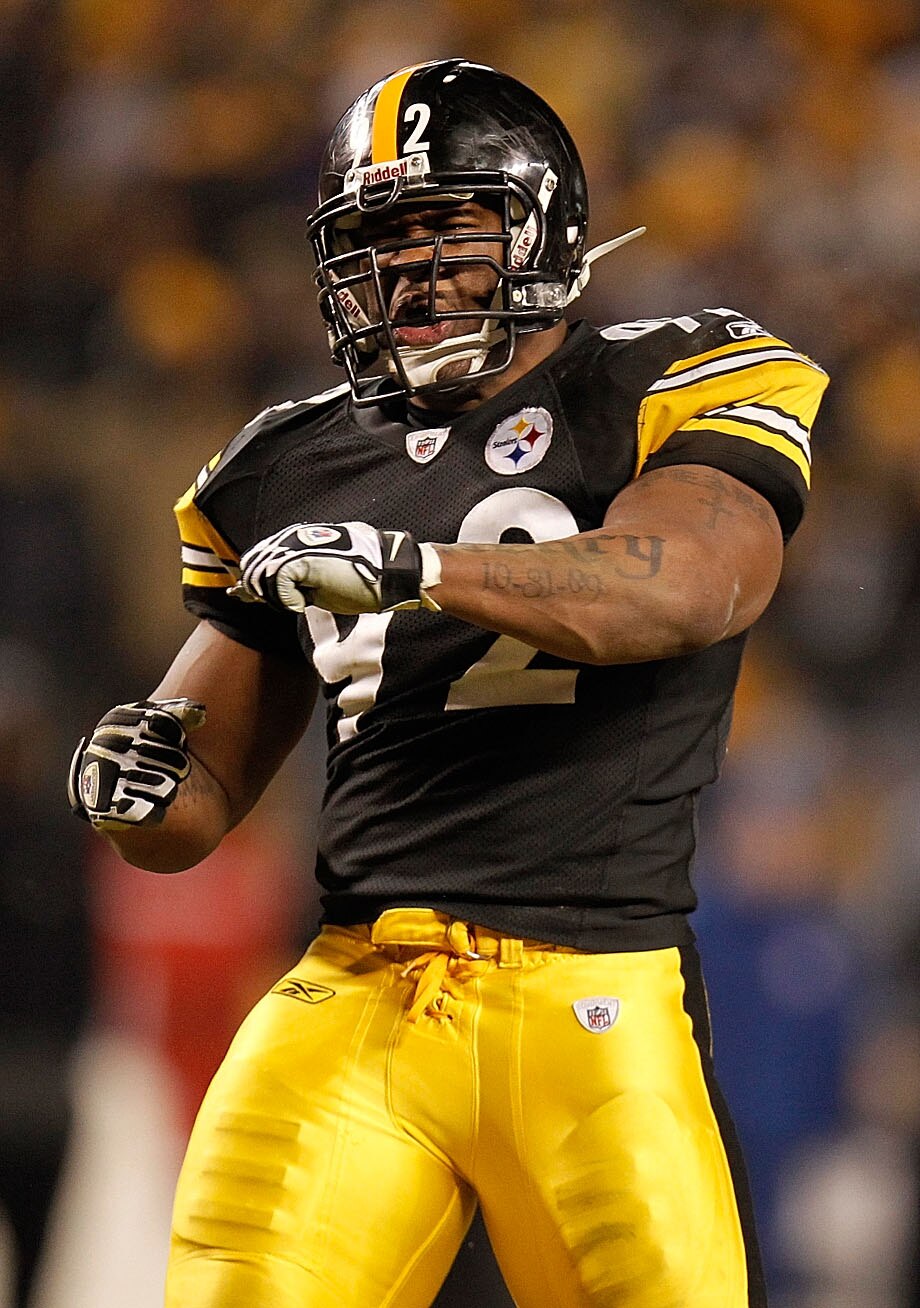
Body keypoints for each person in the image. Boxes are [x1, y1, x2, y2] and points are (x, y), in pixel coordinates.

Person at [66, 59, 828, 1308]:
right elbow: (193, 802)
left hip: (592, 991)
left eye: (448, 229)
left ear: (541, 230)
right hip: (354, 991)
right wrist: (141, 780)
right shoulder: (286, 461)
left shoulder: (669, 374)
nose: (409, 272)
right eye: (375, 242)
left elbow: (690, 585)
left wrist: (421, 570)